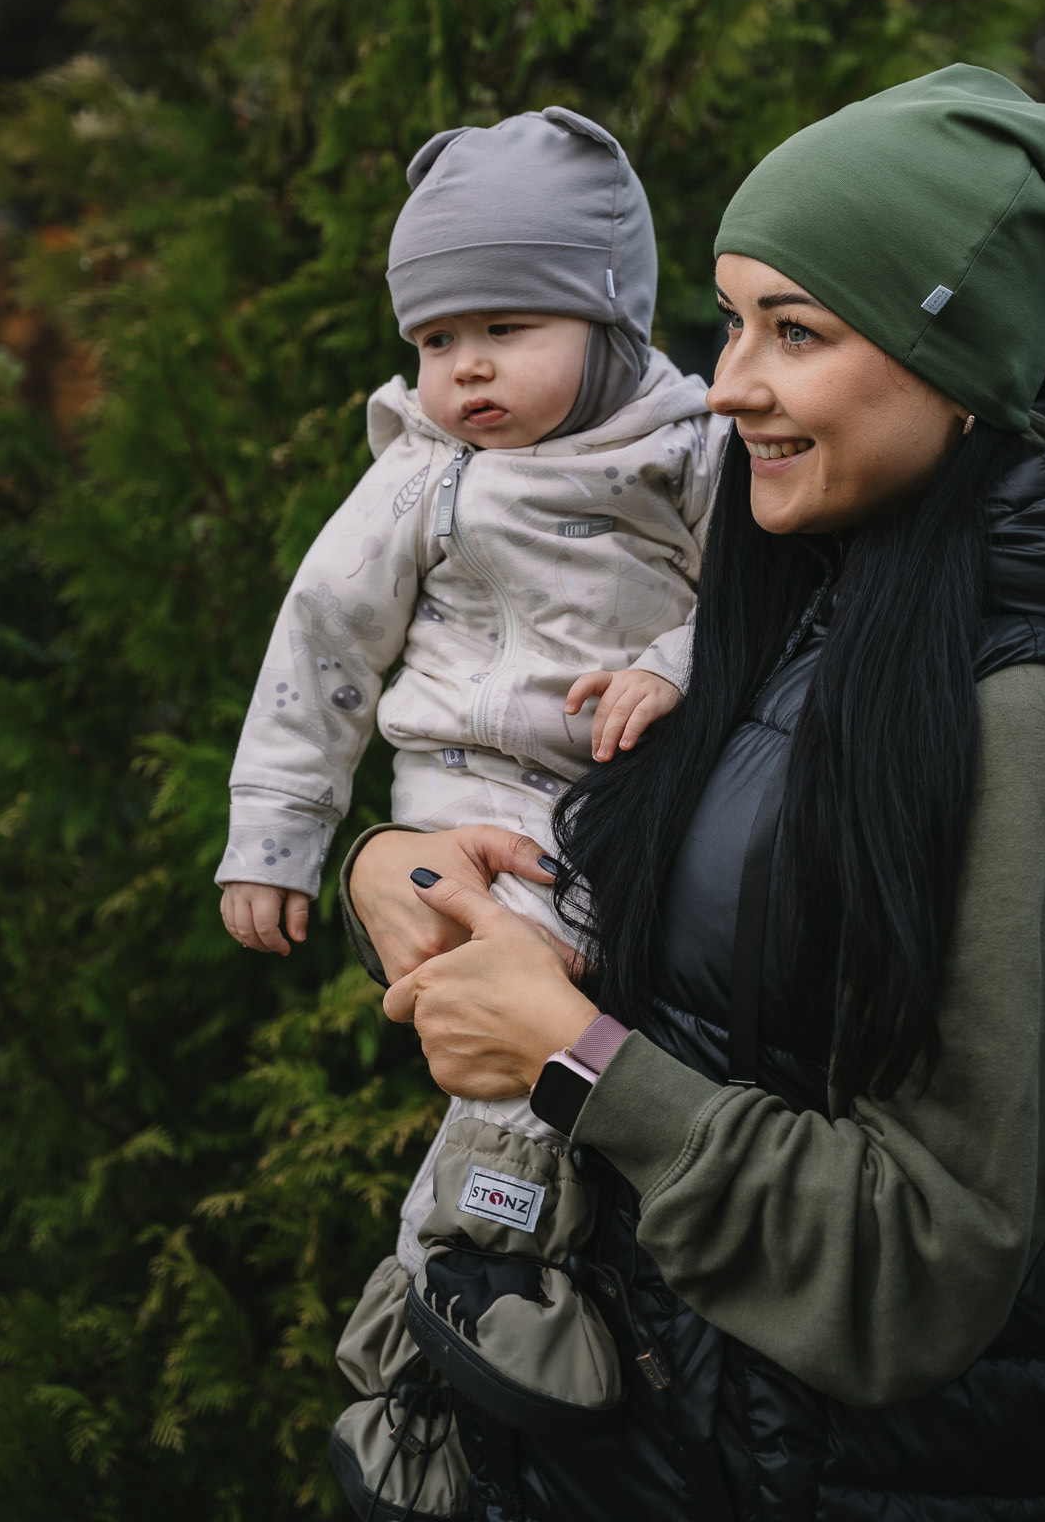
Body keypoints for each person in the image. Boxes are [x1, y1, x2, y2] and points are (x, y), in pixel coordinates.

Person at [340, 65, 1045, 1522]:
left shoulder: (1039, 726)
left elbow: (918, 1270)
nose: (727, 382)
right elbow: (660, 951)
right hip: (653, 1458)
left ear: (955, 364)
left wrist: (572, 1060)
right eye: (730, 321)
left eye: (797, 330)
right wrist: (406, 869)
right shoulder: (791, 607)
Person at [214, 106, 728, 1480]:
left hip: (632, 797)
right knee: (520, 1015)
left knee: (608, 1035)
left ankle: (440, 1315)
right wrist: (279, 834)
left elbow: (762, 606)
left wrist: (672, 665)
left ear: (609, 319)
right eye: (437, 341)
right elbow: (322, 645)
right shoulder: (423, 477)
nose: (468, 368)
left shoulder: (693, 449)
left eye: (507, 326)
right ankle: (477, 1274)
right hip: (471, 802)